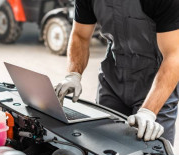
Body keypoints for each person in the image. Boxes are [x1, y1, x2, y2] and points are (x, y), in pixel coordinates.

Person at [55, 0, 179, 145]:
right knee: (101, 145)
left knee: (150, 152)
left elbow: (174, 55)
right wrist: (73, 75)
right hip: (112, 80)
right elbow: (80, 36)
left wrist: (148, 112)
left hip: (155, 82)